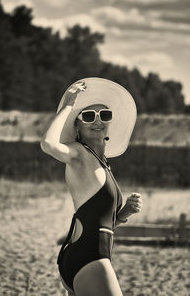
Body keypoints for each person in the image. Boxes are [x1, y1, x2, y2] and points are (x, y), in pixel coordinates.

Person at [40, 77, 142, 296]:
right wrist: (68, 105)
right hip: (89, 257)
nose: (98, 121)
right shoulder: (78, 153)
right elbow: (48, 144)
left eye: (104, 115)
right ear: (77, 124)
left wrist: (124, 213)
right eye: (88, 116)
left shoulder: (102, 164)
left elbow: (103, 222)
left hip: (87, 254)